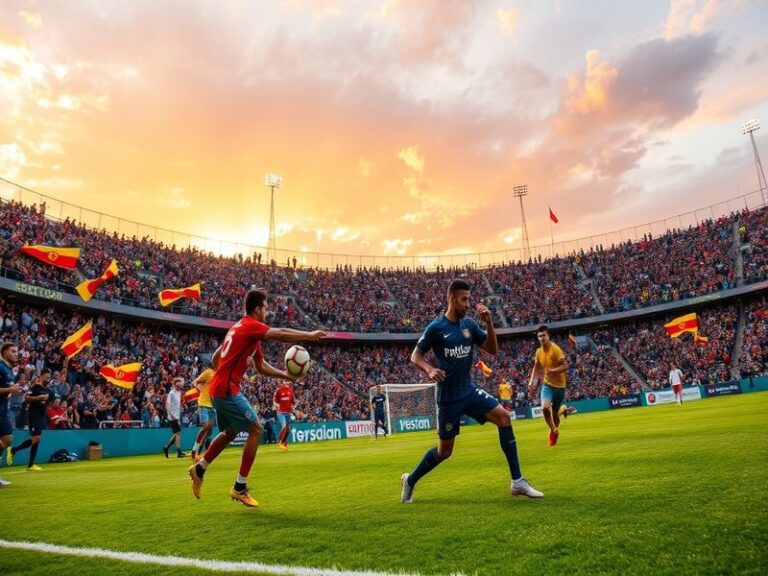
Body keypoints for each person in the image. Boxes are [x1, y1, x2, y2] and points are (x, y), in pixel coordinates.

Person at [401, 279, 543, 504]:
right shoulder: (436, 328)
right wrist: (429, 369)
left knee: (504, 417)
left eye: (469, 299)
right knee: (444, 451)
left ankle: (517, 482)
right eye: (464, 299)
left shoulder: (469, 325)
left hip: (468, 390)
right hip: (448, 398)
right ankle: (410, 480)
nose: (468, 304)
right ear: (452, 299)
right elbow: (415, 356)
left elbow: (492, 350)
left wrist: (489, 323)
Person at [188, 288, 325, 508]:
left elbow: (253, 366)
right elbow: (280, 333)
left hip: (219, 388)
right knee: (256, 430)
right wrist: (308, 335)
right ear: (258, 309)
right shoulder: (251, 326)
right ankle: (239, 487)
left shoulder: (239, 328)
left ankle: (200, 468)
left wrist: (285, 375)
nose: (267, 312)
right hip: (227, 389)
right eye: (266, 308)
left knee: (230, 432)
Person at [528, 325, 572, 447]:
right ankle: (554, 431)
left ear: (548, 336)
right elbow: (536, 367)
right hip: (547, 385)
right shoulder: (538, 352)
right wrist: (531, 381)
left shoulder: (556, 350)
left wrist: (553, 370)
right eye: (539, 336)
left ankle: (562, 410)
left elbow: (565, 366)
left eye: (544, 335)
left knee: (555, 414)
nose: (542, 338)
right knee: (545, 408)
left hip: (560, 387)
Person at [10, 368, 54, 472]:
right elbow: (27, 398)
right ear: (41, 376)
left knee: (36, 439)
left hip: (41, 416)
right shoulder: (35, 387)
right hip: (33, 415)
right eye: (46, 377)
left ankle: (18, 453)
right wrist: (40, 398)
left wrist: (47, 415)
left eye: (49, 378)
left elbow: (48, 405)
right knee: (36, 438)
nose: (48, 379)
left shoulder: (50, 391)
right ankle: (28, 463)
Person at [0, 343, 24, 487]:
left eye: (17, 351)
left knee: (7, 438)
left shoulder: (9, 370)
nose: (16, 354)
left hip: (3, 410)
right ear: (4, 352)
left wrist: (13, 390)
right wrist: (10, 389)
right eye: (13, 351)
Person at [190, 366, 215, 461]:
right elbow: (195, 382)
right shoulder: (208, 372)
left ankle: (201, 450)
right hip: (203, 404)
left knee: (209, 430)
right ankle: (194, 450)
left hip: (213, 406)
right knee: (205, 426)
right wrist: (201, 389)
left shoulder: (220, 375)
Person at [163, 378, 185, 458]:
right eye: (179, 383)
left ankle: (166, 447)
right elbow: (167, 405)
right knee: (178, 433)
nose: (180, 384)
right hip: (172, 416)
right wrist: (171, 415)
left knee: (176, 434)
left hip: (177, 416)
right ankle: (179, 451)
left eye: (180, 383)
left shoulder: (179, 393)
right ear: (175, 384)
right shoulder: (171, 393)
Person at [273, 380, 297, 450]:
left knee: (288, 430)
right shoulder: (279, 390)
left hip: (288, 412)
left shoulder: (290, 390)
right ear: (283, 382)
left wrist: (294, 407)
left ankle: (284, 442)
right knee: (284, 426)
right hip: (280, 412)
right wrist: (277, 405)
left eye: (288, 382)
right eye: (286, 381)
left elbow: (293, 401)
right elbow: (274, 401)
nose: (287, 383)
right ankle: (280, 442)